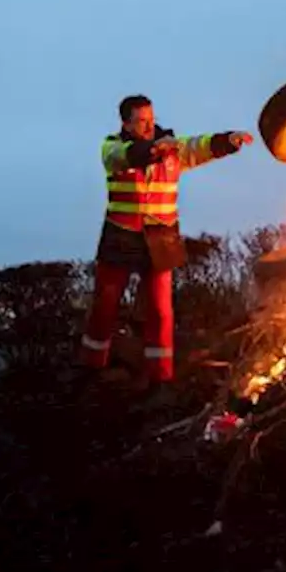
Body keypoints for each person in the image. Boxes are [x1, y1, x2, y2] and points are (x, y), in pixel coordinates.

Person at [78, 94, 252, 396]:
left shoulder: (174, 149)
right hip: (120, 236)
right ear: (125, 123)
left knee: (160, 310)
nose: (149, 125)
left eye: (151, 118)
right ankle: (92, 365)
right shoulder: (111, 148)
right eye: (141, 121)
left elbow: (199, 146)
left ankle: (160, 376)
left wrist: (228, 140)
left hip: (161, 239)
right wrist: (153, 149)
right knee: (104, 305)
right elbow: (129, 155)